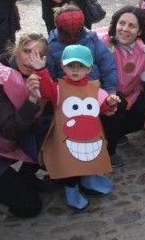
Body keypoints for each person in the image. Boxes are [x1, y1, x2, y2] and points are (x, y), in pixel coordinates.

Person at [29, 44, 119, 210]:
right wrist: (41, 71)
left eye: (81, 66)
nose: (75, 70)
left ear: (89, 69)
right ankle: (72, 191)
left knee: (88, 159)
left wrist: (109, 103)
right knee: (70, 165)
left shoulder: (95, 89)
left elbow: (102, 108)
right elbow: (47, 92)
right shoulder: (58, 87)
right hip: (65, 137)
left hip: (89, 136)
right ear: (63, 66)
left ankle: (88, 180)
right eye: (71, 66)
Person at [0, 33, 53, 217]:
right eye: (26, 51)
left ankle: (26, 176)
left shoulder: (39, 72)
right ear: (16, 50)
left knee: (53, 128)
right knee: (29, 207)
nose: (30, 59)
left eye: (37, 54)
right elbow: (10, 131)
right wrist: (33, 98)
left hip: (9, 144)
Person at [97, 6, 145, 167]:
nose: (125, 29)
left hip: (130, 94)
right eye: (122, 23)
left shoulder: (143, 48)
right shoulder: (103, 42)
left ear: (140, 30)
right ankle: (110, 149)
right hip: (103, 96)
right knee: (117, 101)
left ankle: (116, 133)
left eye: (132, 25)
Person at [46, 4, 118, 97]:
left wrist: (110, 91)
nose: (72, 36)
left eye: (77, 31)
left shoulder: (91, 39)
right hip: (67, 96)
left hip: (95, 93)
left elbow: (107, 66)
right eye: (67, 32)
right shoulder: (51, 45)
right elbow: (49, 75)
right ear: (57, 26)